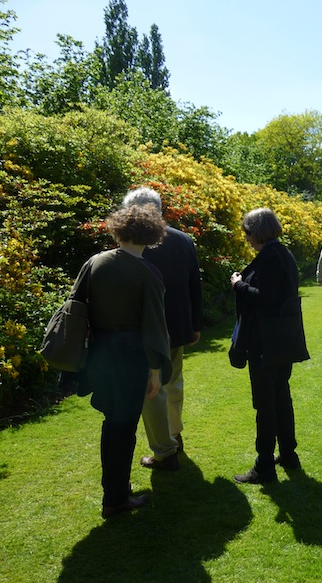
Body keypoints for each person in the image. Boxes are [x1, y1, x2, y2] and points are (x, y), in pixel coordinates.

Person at [73, 204, 172, 517]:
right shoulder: (147, 273)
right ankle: (115, 500)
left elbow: (76, 307)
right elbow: (155, 327)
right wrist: (156, 372)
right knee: (122, 429)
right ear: (151, 235)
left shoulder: (95, 262)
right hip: (131, 360)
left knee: (112, 425)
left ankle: (115, 487)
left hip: (100, 355)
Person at [122, 187, 203, 471]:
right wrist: (195, 324)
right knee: (173, 383)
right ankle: (174, 435)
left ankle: (164, 449)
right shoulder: (183, 240)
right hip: (177, 326)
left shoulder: (132, 243)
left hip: (145, 330)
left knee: (153, 390)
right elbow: (195, 285)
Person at [230, 208, 309, 484]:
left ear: (259, 231)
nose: (248, 239)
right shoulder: (281, 253)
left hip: (268, 341)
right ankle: (288, 454)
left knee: (266, 403)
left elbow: (266, 299)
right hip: (280, 339)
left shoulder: (272, 256)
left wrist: (238, 285)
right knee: (279, 396)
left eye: (249, 233)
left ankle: (264, 465)